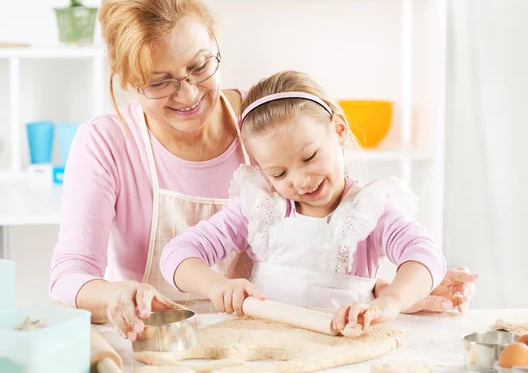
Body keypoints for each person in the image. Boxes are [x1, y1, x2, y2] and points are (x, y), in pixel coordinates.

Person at [49, 0, 478, 341]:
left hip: (266, 337)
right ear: (127, 80)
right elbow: (69, 275)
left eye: (199, 66)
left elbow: (303, 250)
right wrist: (117, 295)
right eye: (160, 82)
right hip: (161, 341)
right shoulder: (106, 143)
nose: (188, 94)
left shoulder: (267, 127)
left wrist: (384, 293)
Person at [160, 70, 450, 334]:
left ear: (338, 129)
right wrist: (216, 286)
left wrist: (390, 302)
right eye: (279, 173)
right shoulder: (259, 209)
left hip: (347, 351)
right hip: (266, 349)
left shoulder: (369, 208)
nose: (300, 181)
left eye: (309, 157)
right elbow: (177, 253)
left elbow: (425, 254)